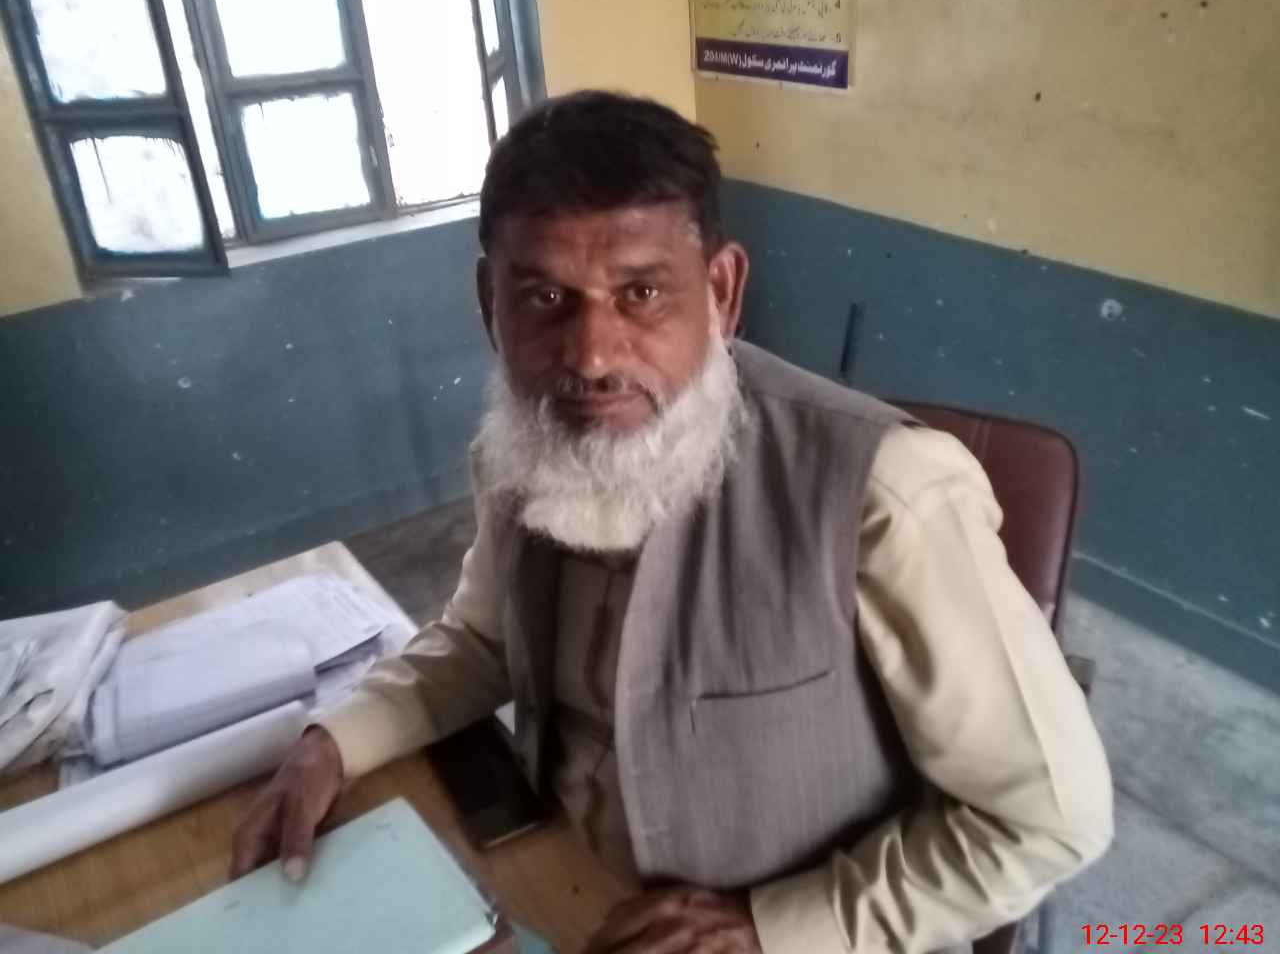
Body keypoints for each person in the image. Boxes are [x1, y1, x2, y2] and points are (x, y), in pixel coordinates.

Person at [231, 91, 1112, 954]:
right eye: (544, 300)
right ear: (488, 303)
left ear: (722, 292)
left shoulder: (888, 493)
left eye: (643, 292)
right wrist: (334, 742)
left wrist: (775, 929)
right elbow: (485, 641)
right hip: (557, 887)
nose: (592, 356)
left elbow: (1049, 820)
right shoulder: (523, 449)